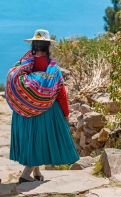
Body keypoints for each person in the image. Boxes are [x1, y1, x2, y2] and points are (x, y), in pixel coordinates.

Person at [5, 29, 79, 183]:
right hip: (46, 111)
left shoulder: (24, 64)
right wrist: (66, 115)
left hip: (24, 112)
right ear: (48, 46)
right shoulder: (52, 68)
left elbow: (13, 80)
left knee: (31, 141)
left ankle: (37, 172)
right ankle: (26, 174)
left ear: (33, 45)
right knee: (40, 141)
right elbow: (61, 93)